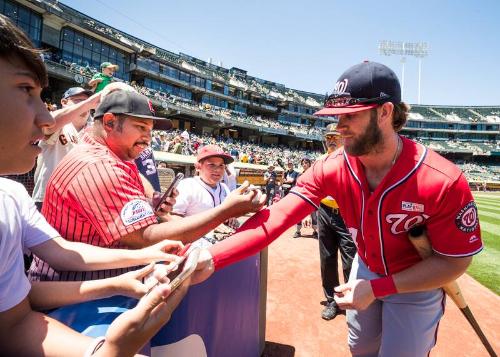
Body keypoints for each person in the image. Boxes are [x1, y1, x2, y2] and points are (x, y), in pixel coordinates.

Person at [197, 61, 483, 356]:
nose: (339, 127)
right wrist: (211, 257)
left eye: (350, 116)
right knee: (360, 349)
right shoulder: (331, 166)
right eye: (337, 116)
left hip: (415, 280)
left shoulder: (442, 180)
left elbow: (454, 263)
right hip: (367, 266)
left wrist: (377, 289)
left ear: (385, 112)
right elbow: (277, 217)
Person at [0, 14, 190, 356]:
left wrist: (100, 351)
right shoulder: (91, 158)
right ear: (110, 123)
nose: (44, 117)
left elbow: (17, 313)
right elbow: (132, 235)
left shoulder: (10, 197)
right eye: (26, 89)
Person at [28, 90, 265, 281]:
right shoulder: (100, 165)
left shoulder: (114, 155)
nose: (147, 138)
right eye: (141, 127)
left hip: (95, 278)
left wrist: (151, 204)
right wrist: (227, 210)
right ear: (109, 122)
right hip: (75, 294)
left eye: (149, 131)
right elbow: (145, 237)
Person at [316, 124, 357, 320]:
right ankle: (332, 300)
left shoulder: (354, 160)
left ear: (344, 138)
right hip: (324, 211)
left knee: (350, 260)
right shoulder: (321, 160)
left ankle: (350, 300)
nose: (331, 140)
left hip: (346, 213)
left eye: (335, 136)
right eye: (328, 137)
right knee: (327, 259)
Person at [32, 87, 95, 210]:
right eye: (78, 101)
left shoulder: (94, 130)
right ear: (64, 102)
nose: (84, 105)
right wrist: (86, 103)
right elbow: (48, 125)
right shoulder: (59, 123)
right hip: (48, 198)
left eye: (87, 101)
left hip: (78, 202)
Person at [171, 144, 239, 244]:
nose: (218, 170)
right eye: (212, 165)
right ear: (198, 167)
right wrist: (209, 225)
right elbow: (172, 218)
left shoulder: (224, 188)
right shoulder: (187, 185)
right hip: (195, 245)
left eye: (221, 165)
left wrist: (230, 217)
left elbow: (229, 212)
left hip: (221, 243)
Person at [293, 157, 318, 238]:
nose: (304, 164)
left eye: (306, 163)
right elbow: (297, 185)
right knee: (299, 215)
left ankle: (315, 232)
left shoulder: (314, 173)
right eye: (303, 163)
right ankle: (298, 231)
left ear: (309, 164)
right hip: (302, 198)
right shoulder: (299, 174)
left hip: (311, 198)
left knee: (314, 216)